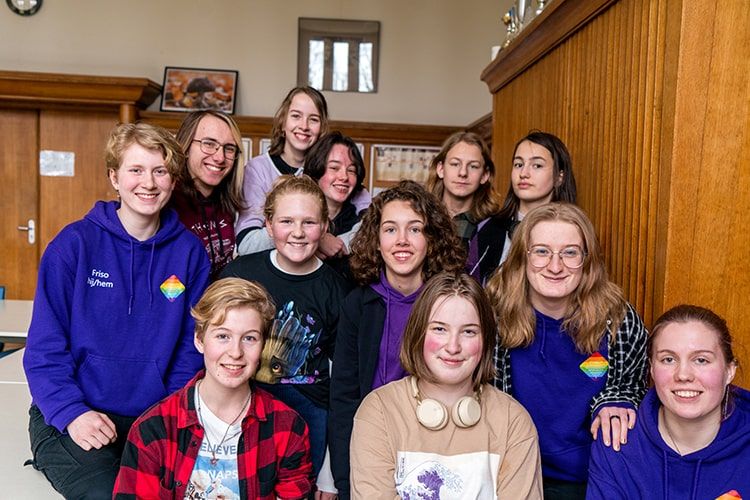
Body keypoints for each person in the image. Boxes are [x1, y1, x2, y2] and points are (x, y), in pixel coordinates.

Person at [23, 122, 210, 498]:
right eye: (136, 170)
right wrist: (72, 413)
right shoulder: (73, 246)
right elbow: (45, 348)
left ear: (173, 182)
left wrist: (164, 417)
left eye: (160, 171)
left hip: (152, 417)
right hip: (74, 413)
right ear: (114, 177)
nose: (149, 183)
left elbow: (191, 350)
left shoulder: (190, 254)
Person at [485, 202, 647, 499]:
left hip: (593, 478)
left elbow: (639, 387)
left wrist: (618, 399)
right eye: (542, 252)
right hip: (510, 474)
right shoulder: (492, 317)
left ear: (587, 261)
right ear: (522, 257)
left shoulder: (618, 320)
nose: (555, 266)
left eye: (570, 253)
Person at [113, 278, 314, 499]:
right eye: (223, 336)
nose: (235, 352)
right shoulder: (153, 428)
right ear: (199, 340)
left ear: (262, 345)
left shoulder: (287, 427)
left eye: (249, 338)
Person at [350, 271, 543, 499]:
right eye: (439, 329)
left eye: (469, 331)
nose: (453, 346)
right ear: (419, 333)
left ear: (486, 341)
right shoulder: (379, 411)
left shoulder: (513, 420)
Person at [329, 180, 466, 498]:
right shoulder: (357, 305)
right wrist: (344, 478)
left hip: (438, 448)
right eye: (390, 229)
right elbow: (345, 397)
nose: (402, 241)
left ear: (431, 239)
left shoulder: (452, 302)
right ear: (376, 240)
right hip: (372, 446)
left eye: (415, 229)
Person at [220, 175, 349, 497]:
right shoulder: (240, 274)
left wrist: (330, 474)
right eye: (286, 221)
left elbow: (343, 385)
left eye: (309, 222)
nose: (297, 232)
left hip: (311, 415)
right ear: (268, 224)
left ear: (324, 226)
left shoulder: (338, 291)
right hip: (242, 407)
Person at [587, 305, 749, 499]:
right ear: (652, 369)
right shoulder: (616, 443)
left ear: (729, 370)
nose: (683, 375)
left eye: (701, 360)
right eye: (668, 359)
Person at [234, 86, 369, 255]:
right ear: (283, 121)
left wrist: (337, 244)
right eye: (296, 116)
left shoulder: (330, 173)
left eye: (313, 119)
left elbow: (370, 222)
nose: (304, 126)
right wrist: (319, 237)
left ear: (322, 128)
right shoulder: (258, 169)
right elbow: (247, 244)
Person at [171, 110, 244, 279]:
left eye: (229, 148)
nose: (220, 157)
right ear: (186, 146)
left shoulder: (228, 201)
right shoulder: (166, 200)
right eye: (209, 144)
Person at [427, 131, 506, 284]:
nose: (463, 173)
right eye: (455, 164)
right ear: (441, 169)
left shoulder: (495, 229)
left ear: (485, 175)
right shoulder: (420, 217)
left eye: (473, 166)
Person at [496, 130, 578, 265]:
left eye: (537, 165)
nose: (523, 173)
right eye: (518, 164)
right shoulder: (487, 228)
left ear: (559, 177)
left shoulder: (575, 231)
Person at [304, 131, 370, 278]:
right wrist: (318, 239)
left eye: (351, 170)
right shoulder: (296, 213)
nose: (344, 177)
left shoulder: (362, 222)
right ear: (317, 169)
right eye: (334, 168)